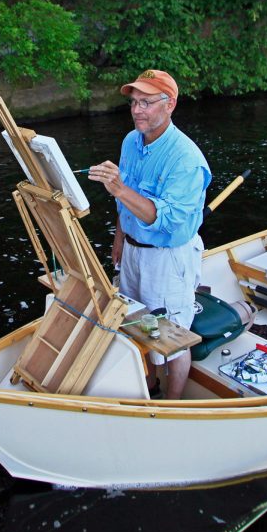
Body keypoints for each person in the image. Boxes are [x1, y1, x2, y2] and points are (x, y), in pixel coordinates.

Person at [88, 69, 211, 399]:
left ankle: (171, 405)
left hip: (167, 258)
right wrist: (119, 236)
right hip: (132, 250)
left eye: (146, 102)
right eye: (133, 102)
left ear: (169, 104)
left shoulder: (186, 159)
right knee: (139, 322)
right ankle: (152, 384)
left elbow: (166, 220)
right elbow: (127, 204)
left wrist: (119, 189)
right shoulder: (131, 140)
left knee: (172, 337)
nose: (137, 110)